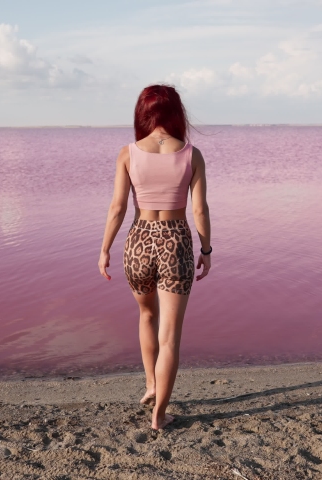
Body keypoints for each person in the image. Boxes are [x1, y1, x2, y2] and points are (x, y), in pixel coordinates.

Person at [98, 84, 212, 431]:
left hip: (139, 241)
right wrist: (206, 249)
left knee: (147, 314)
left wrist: (104, 248)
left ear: (143, 113)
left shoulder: (128, 153)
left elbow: (118, 208)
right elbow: (199, 210)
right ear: (177, 113)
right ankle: (159, 415)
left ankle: (150, 384)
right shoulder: (191, 154)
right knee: (170, 337)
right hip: (175, 242)